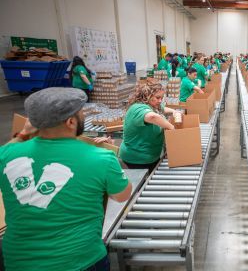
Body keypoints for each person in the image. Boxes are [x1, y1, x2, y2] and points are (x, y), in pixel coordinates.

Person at [0, 87, 132, 271]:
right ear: (71, 121)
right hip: (81, 259)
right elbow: (122, 195)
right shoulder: (100, 158)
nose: (84, 117)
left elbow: (6, 150)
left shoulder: (6, 154)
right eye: (81, 114)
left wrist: (23, 134)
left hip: (20, 262)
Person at [120, 81, 180, 173]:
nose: (160, 101)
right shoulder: (137, 108)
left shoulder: (153, 105)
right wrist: (171, 127)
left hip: (151, 155)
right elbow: (153, 116)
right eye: (157, 97)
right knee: (142, 183)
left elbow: (162, 109)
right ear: (147, 95)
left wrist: (174, 111)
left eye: (162, 98)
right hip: (137, 158)